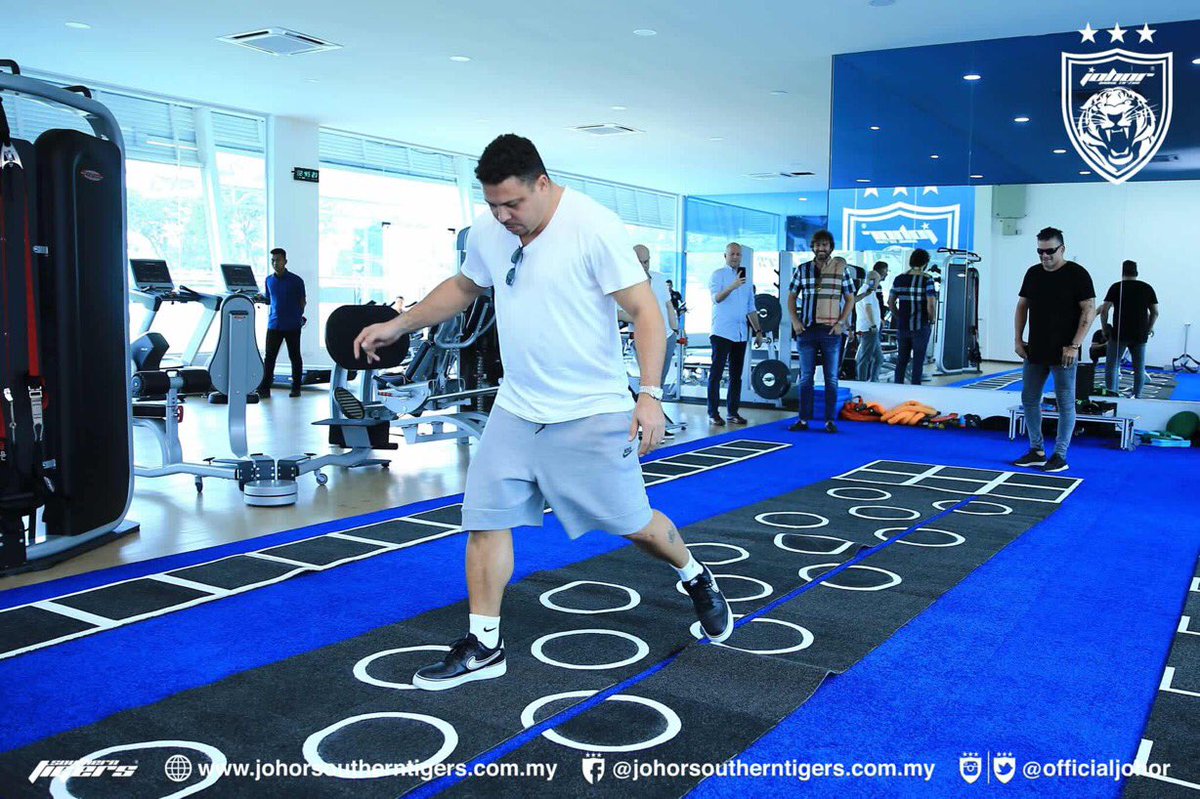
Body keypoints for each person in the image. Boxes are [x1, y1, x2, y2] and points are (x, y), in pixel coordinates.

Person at [352, 134, 731, 691]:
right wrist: (400, 323)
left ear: (543, 183)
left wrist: (650, 394)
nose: (503, 216)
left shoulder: (594, 228)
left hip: (591, 410)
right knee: (485, 520)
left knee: (634, 525)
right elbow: (464, 286)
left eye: (513, 203)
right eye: (493, 205)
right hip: (517, 407)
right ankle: (485, 644)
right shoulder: (491, 231)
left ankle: (695, 575)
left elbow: (646, 312)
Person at [1012, 226, 1096, 473]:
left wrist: (1075, 345)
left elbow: (1089, 310)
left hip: (1065, 351)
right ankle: (1036, 451)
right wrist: (1018, 340)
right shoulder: (1033, 273)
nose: (1045, 256)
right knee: (1029, 398)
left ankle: (1060, 455)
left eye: (1050, 251)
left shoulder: (1077, 274)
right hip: (1035, 348)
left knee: (1065, 402)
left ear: (1062, 249)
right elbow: (1022, 306)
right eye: (1040, 251)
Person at [787, 230, 856, 432]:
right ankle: (803, 420)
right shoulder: (802, 269)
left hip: (830, 332)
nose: (821, 249)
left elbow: (850, 298)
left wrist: (841, 323)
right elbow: (791, 297)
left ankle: (830, 421)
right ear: (813, 247)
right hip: (806, 330)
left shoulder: (841, 270)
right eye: (817, 245)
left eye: (824, 245)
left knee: (831, 378)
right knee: (806, 377)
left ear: (831, 247)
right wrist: (795, 321)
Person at [622, 245, 680, 438]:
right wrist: (643, 317)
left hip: (667, 336)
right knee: (649, 384)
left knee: (658, 384)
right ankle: (646, 426)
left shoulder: (659, 278)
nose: (643, 266)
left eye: (646, 262)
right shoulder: (625, 282)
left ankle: (655, 425)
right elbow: (618, 313)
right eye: (639, 262)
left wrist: (675, 328)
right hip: (644, 338)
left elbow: (668, 305)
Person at [707, 242, 763, 426]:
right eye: (732, 254)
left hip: (740, 333)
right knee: (716, 373)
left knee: (736, 375)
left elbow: (751, 307)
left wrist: (758, 330)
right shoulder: (718, 274)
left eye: (738, 254)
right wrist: (732, 286)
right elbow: (716, 299)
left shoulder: (747, 280)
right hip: (722, 331)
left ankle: (732, 412)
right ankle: (713, 412)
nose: (735, 257)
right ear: (725, 256)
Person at [1097, 260, 1158, 398]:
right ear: (1137, 272)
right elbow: (1155, 312)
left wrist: (1104, 328)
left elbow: (1104, 311)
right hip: (1140, 334)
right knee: (1139, 368)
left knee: (1112, 366)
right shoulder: (1147, 288)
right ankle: (1137, 396)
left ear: (1122, 272)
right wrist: (1149, 328)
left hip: (1119, 333)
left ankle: (1112, 395)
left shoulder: (1116, 287)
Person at [259, 248, 306, 398]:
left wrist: (298, 316)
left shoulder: (296, 280)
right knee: (269, 357)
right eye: (272, 260)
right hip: (274, 324)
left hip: (292, 325)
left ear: (285, 261)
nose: (275, 263)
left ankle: (296, 388)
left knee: (295, 356)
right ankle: (265, 388)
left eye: (278, 260)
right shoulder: (269, 280)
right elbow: (269, 300)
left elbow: (302, 301)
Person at [889, 249, 938, 385]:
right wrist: (932, 319)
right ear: (925, 263)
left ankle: (897, 387)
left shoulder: (899, 279)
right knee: (918, 360)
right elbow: (931, 303)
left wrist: (899, 316)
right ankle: (916, 388)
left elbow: (890, 302)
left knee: (901, 360)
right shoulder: (927, 279)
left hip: (903, 326)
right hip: (920, 325)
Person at [855, 262, 887, 381]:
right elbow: (868, 308)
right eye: (877, 281)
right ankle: (862, 381)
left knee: (879, 358)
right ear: (872, 280)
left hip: (872, 329)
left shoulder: (869, 292)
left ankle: (874, 380)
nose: (878, 283)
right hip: (868, 329)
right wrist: (873, 324)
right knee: (865, 358)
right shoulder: (866, 291)